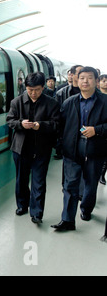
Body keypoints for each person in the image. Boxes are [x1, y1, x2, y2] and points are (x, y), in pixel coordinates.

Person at [51, 67, 107, 231]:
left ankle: (86, 209)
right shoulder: (70, 102)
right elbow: (60, 127)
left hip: (96, 149)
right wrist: (61, 146)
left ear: (96, 81)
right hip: (73, 149)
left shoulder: (105, 102)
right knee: (70, 185)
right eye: (82, 78)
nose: (85, 81)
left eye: (89, 78)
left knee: (90, 183)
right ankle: (68, 220)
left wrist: (96, 130)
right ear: (77, 79)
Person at [6, 72, 60, 224]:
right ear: (26, 88)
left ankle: (36, 212)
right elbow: (10, 121)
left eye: (36, 89)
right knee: (21, 180)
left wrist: (40, 126)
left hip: (41, 149)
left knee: (39, 181)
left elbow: (56, 125)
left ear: (43, 87)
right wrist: (20, 124)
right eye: (30, 90)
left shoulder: (52, 103)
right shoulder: (16, 102)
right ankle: (22, 205)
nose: (33, 93)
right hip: (20, 148)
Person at [99, 74, 107, 185]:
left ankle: (102, 174)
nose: (105, 83)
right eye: (103, 80)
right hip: (97, 131)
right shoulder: (95, 96)